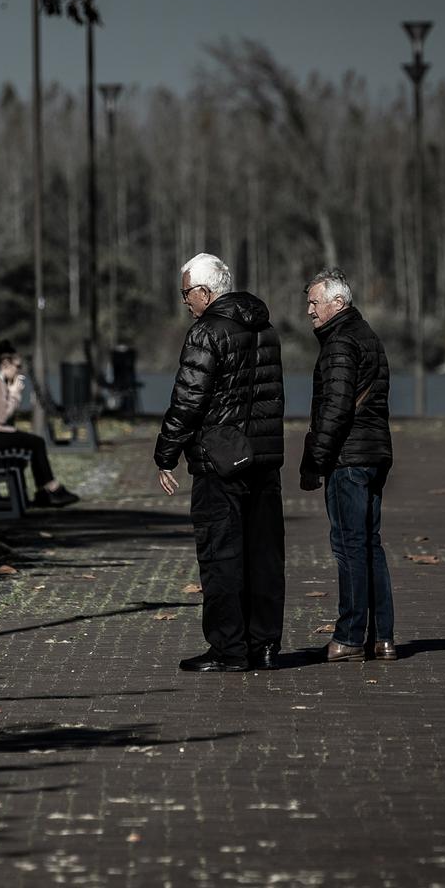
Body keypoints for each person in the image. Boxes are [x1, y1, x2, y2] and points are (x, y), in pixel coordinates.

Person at [154, 253, 286, 673]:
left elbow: (188, 400)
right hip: (263, 458)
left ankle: (229, 648)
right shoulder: (266, 330)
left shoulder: (206, 332)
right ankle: (264, 644)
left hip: (220, 462)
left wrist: (166, 453)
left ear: (207, 292)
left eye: (186, 292)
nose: (185, 301)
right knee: (264, 555)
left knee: (221, 556)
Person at [299, 267, 396, 662]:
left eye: (314, 302)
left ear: (337, 303)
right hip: (374, 455)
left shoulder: (340, 344)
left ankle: (351, 637)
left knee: (350, 547)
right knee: (370, 545)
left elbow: (335, 410)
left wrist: (315, 462)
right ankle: (383, 637)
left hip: (349, 459)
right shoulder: (367, 337)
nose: (309, 310)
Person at [0, 340, 79, 507]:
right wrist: (15, 393)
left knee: (31, 442)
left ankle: (45, 490)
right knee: (36, 442)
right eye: (17, 367)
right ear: (5, 363)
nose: (19, 371)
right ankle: (49, 488)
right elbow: (2, 417)